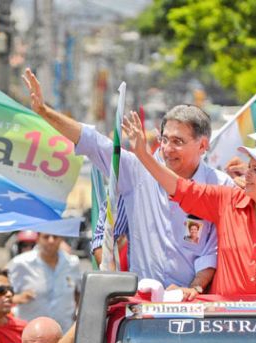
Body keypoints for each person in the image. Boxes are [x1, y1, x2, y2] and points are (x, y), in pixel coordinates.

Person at [23, 68, 235, 299]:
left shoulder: (220, 186)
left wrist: (192, 289)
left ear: (203, 146)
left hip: (194, 304)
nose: (167, 149)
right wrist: (44, 111)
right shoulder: (137, 170)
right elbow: (92, 142)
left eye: (178, 142)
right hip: (141, 303)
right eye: (165, 140)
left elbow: (213, 249)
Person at [123, 111, 256, 301]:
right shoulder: (228, 199)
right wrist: (143, 155)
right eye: (249, 167)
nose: (247, 174)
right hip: (221, 324)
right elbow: (182, 189)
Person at [6, 232, 82, 332]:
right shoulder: (21, 263)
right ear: (38, 239)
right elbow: (1, 293)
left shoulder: (72, 263)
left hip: (63, 333)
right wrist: (18, 298)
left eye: (55, 236)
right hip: (31, 335)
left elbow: (79, 294)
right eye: (46, 237)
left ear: (61, 239)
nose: (51, 241)